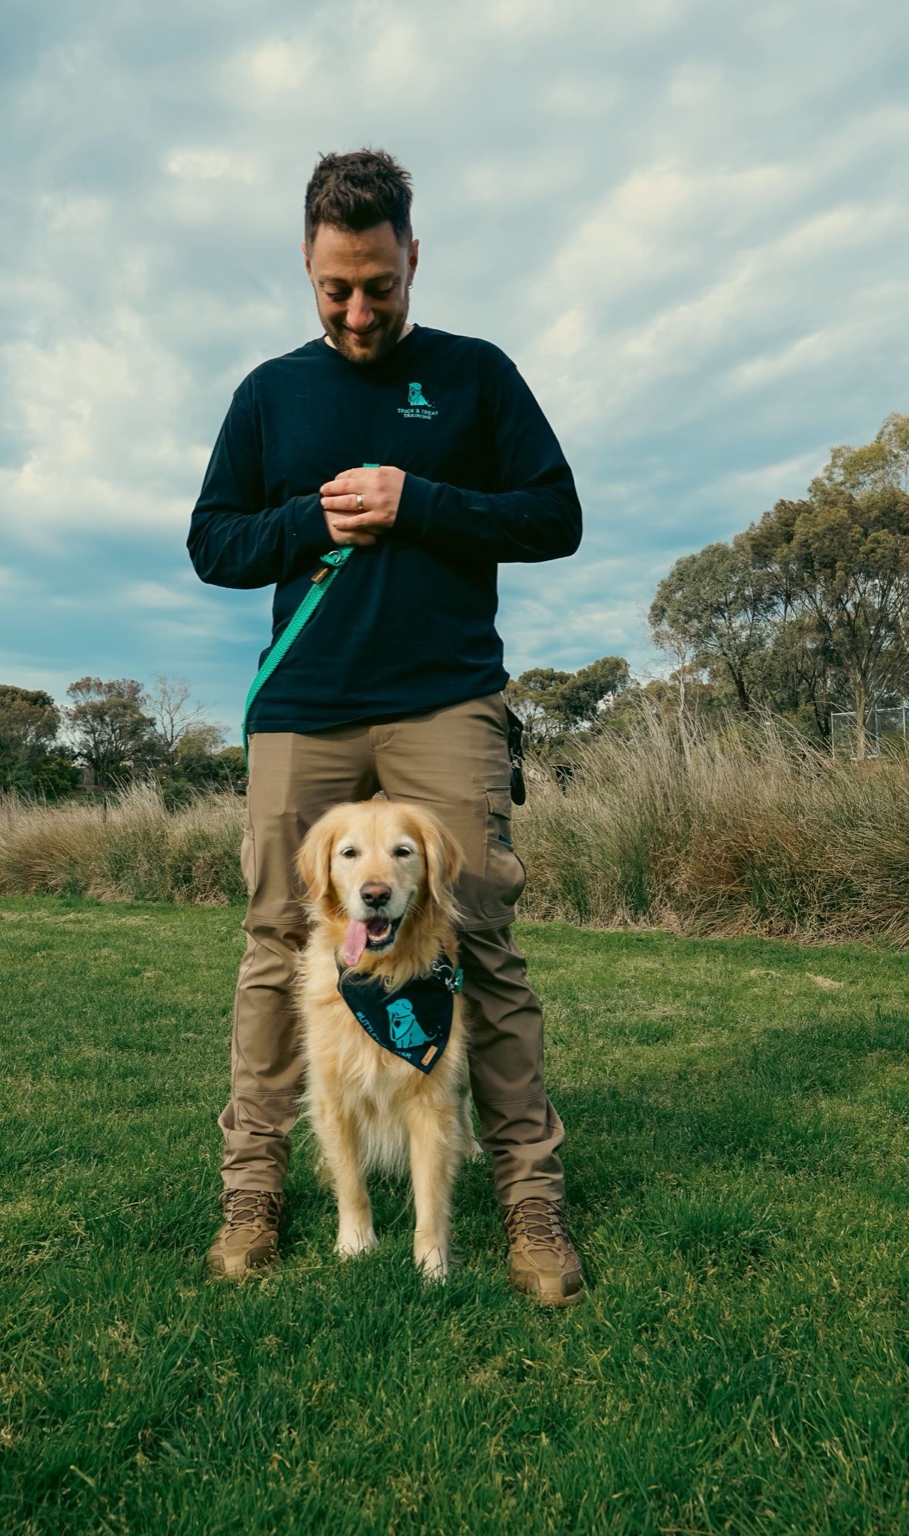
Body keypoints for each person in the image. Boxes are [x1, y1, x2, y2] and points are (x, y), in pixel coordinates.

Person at [188, 148, 585, 1306]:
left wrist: (423, 502)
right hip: (304, 706)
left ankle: (528, 1201)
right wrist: (307, 519)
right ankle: (252, 1187)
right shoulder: (268, 392)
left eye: (380, 286)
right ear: (306, 267)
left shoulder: (476, 377)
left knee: (481, 942)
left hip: (443, 699)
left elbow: (553, 514)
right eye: (334, 290)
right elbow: (214, 542)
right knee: (277, 944)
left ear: (414, 258)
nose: (358, 312)